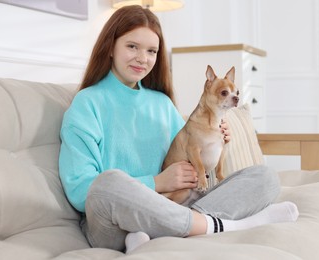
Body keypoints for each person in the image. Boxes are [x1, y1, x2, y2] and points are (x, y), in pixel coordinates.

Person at [59, 5, 299, 254]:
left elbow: (191, 149)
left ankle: (167, 231)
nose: (143, 58)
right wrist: (156, 183)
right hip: (114, 221)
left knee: (265, 177)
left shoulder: (161, 103)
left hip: (177, 205)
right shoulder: (87, 103)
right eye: (132, 46)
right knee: (107, 183)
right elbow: (80, 190)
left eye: (151, 50)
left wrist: (215, 137)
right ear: (110, 46)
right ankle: (225, 225)